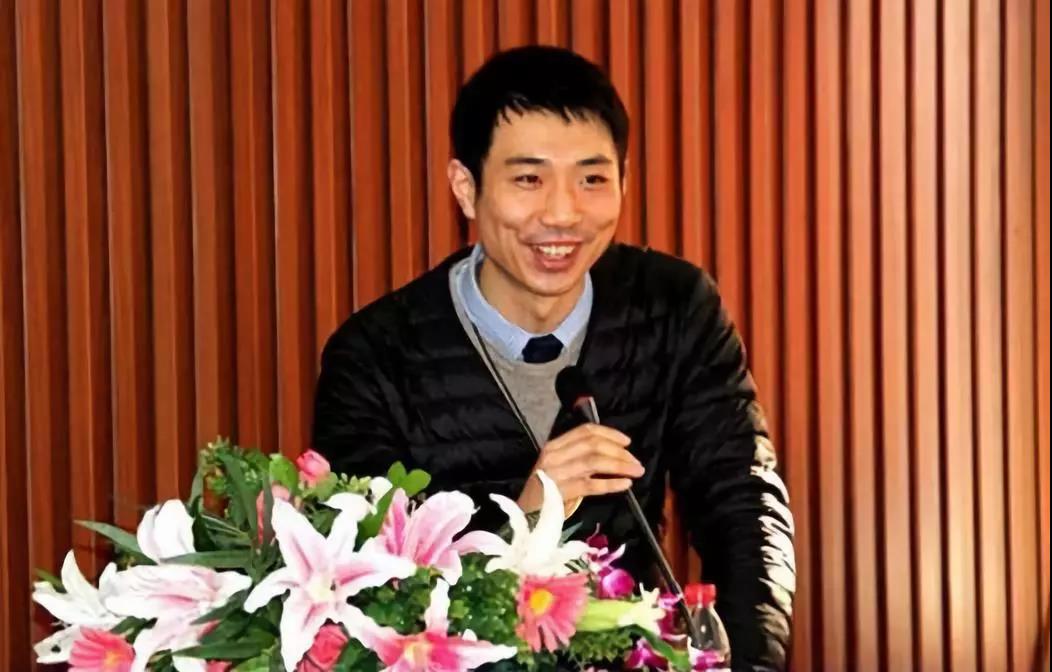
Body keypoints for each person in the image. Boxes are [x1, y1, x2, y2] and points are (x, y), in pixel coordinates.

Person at [312, 45, 795, 670]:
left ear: (624, 179)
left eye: (592, 179)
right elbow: (369, 595)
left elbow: (744, 505)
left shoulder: (673, 307)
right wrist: (525, 519)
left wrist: (748, 662)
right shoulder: (373, 356)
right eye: (528, 179)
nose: (564, 213)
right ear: (466, 188)